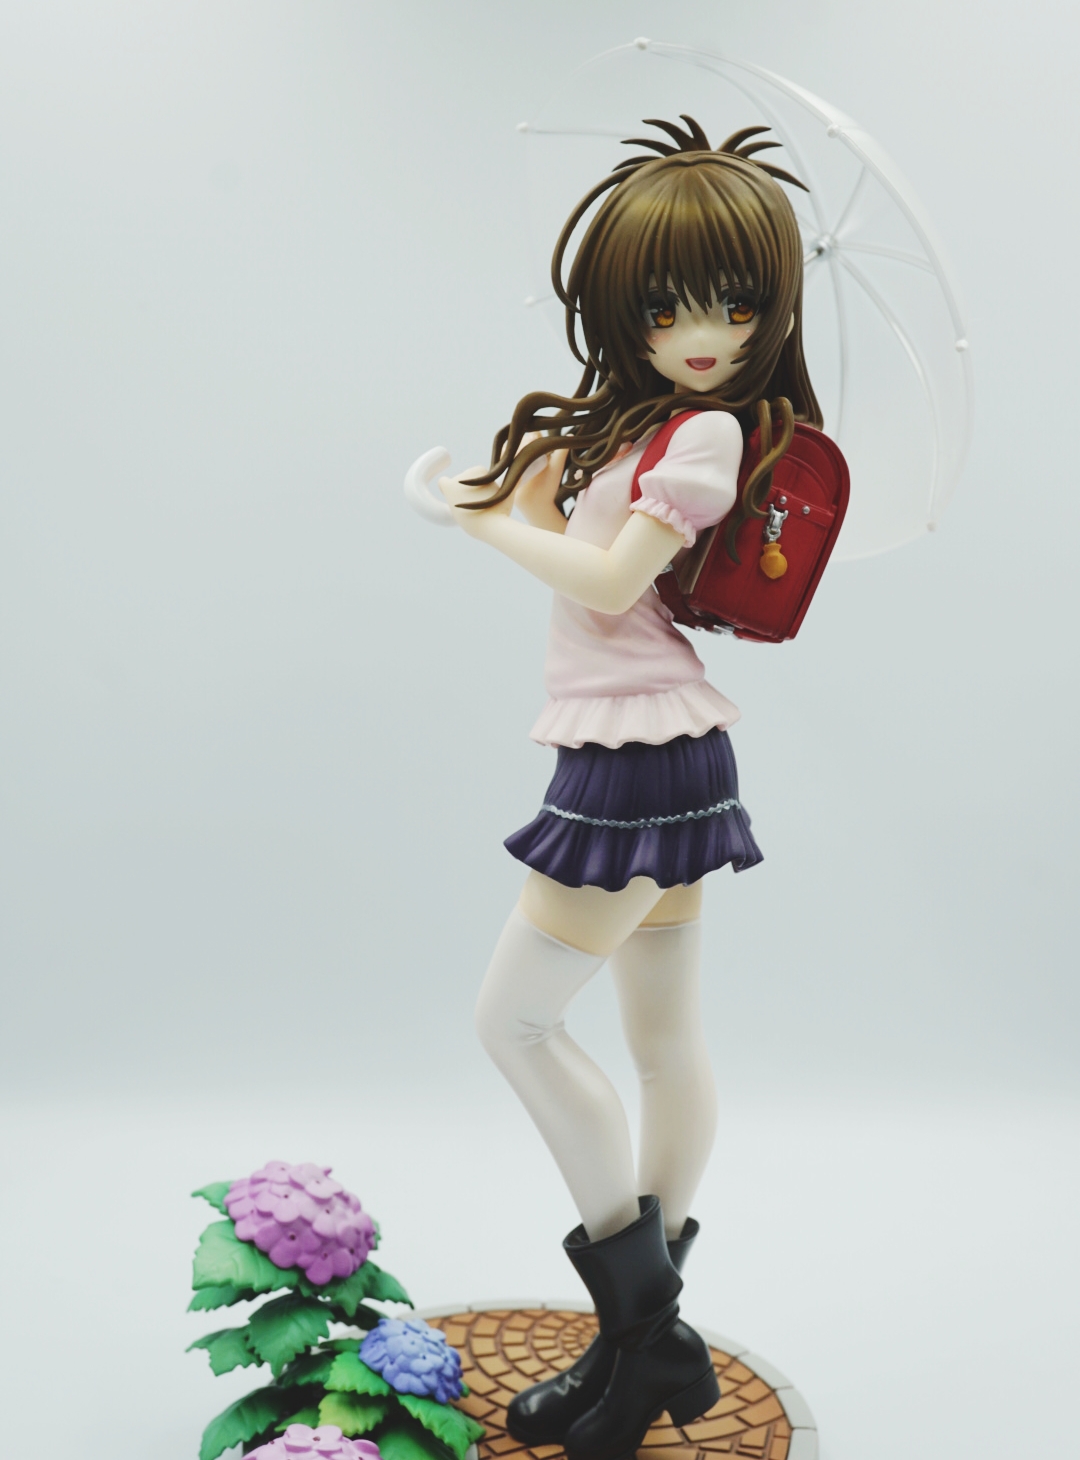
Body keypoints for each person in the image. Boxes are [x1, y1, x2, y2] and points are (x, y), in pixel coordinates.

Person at [436, 116, 822, 1460]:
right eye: (669, 309)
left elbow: (606, 585)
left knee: (516, 1023)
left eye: (735, 305)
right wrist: (538, 490)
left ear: (772, 308)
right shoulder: (647, 427)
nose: (706, 335)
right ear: (624, 311)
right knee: (660, 1040)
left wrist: (485, 523)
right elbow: (594, 549)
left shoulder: (706, 433)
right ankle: (633, 1355)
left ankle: (645, 1330)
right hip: (652, 751)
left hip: (636, 761)